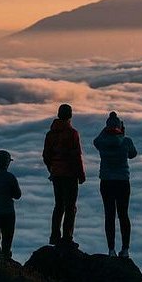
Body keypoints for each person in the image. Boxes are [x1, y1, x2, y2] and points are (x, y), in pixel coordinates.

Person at [93, 112, 137, 258]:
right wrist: (122, 133)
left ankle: (111, 250)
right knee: (123, 215)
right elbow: (133, 154)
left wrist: (107, 130)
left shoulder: (102, 142)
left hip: (106, 182)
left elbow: (96, 141)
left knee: (109, 215)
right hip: (123, 182)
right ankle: (125, 250)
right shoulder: (126, 141)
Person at [43, 104, 86, 246]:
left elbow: (46, 156)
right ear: (70, 115)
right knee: (70, 207)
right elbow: (76, 156)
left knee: (58, 205)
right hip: (70, 174)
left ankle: (54, 236)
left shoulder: (50, 134)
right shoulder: (72, 133)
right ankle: (67, 238)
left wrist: (52, 169)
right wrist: (81, 174)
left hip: (56, 174)